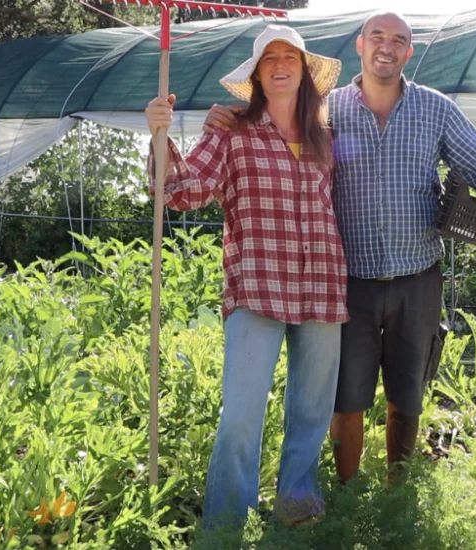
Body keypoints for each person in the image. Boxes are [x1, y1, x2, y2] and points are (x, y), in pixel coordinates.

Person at [202, 12, 476, 486]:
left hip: (418, 277)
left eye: (398, 40)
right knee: (345, 397)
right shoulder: (327, 112)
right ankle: (347, 495)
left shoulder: (435, 109)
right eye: (377, 38)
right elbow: (278, 134)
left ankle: (398, 491)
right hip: (349, 282)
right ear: (360, 46)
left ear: (409, 52)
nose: (386, 47)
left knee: (407, 393)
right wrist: (227, 119)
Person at [144, 25, 347, 527]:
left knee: (311, 414)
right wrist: (160, 136)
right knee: (240, 418)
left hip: (322, 284)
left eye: (290, 58)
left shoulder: (325, 136)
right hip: (257, 286)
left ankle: (296, 508)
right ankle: (227, 527)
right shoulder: (231, 130)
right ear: (256, 75)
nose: (280, 65)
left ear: (304, 72)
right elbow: (185, 191)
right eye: (269, 59)